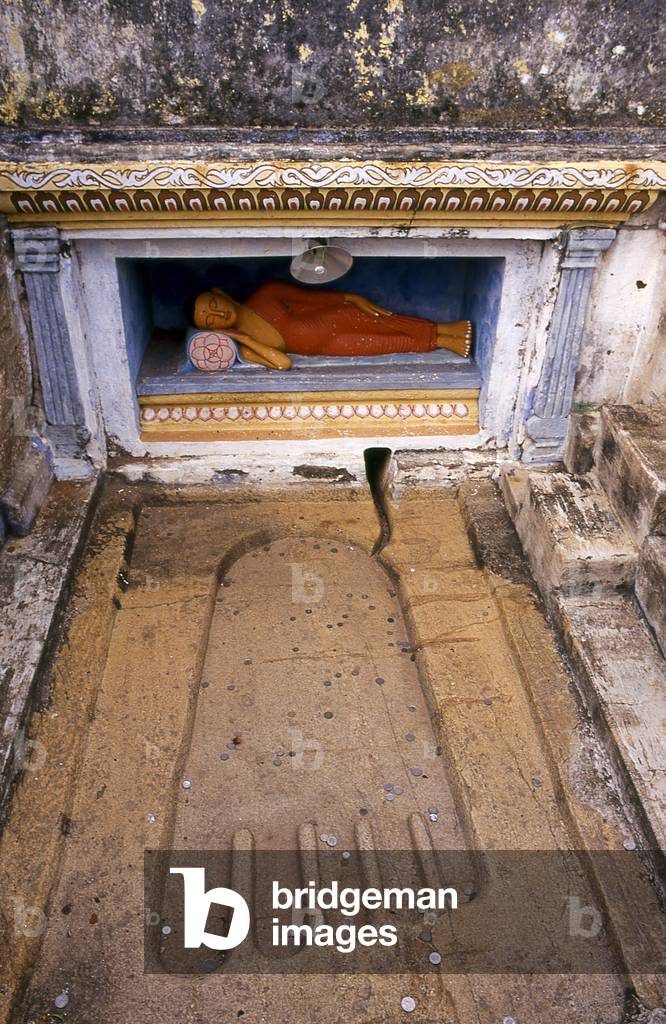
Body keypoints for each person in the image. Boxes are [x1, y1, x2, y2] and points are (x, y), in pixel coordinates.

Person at [193, 281, 472, 370]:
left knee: (388, 322)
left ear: (220, 294)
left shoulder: (264, 294)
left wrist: (351, 298)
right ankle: (444, 341)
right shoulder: (246, 345)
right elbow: (282, 363)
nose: (217, 315)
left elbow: (310, 299)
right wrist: (244, 339)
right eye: (209, 321)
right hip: (328, 346)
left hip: (334, 317)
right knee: (387, 344)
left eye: (213, 305)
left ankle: (448, 328)